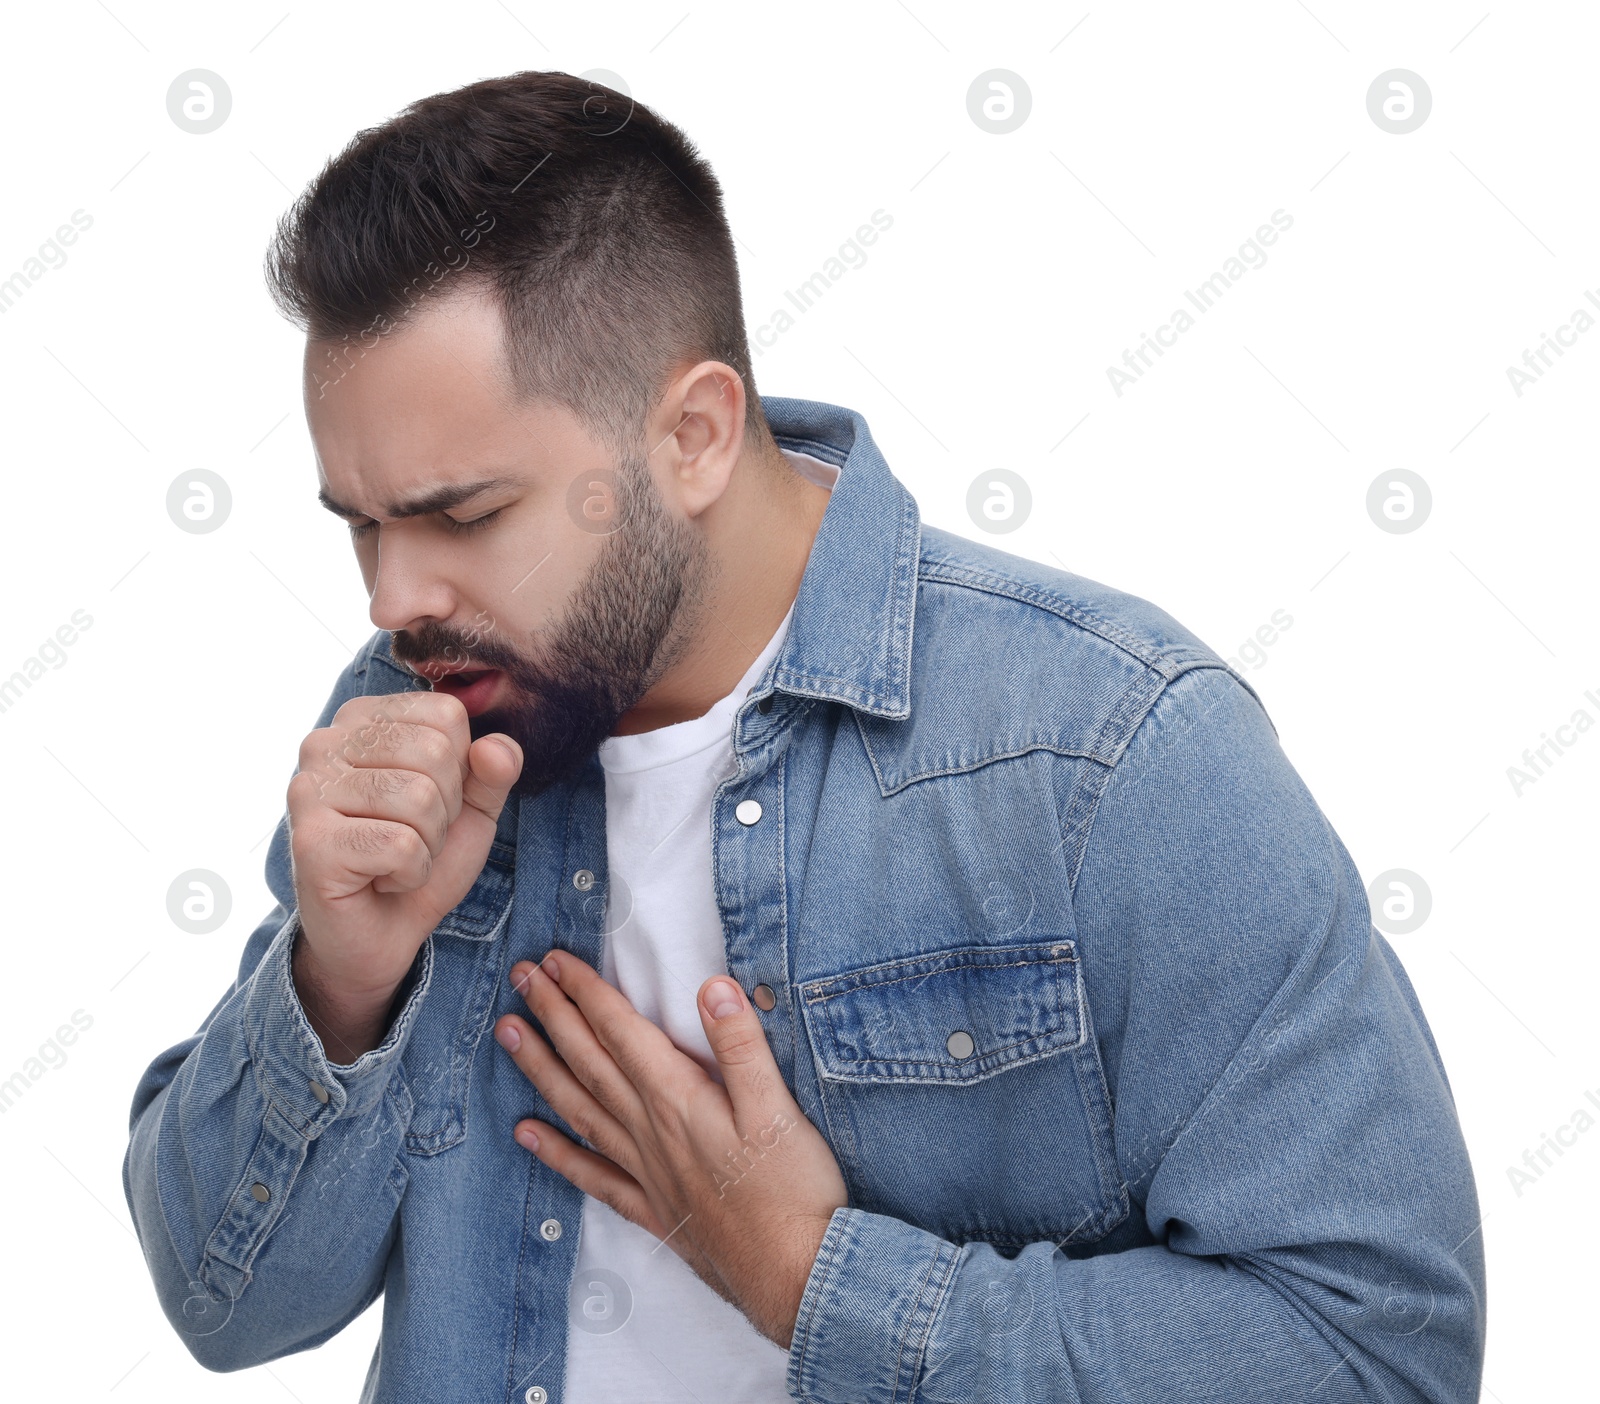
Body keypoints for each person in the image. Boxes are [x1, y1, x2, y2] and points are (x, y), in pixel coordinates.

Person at [122, 69, 1486, 1404]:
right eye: (361, 520)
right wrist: (339, 980)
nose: (392, 597)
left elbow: (1377, 1349)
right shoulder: (415, 705)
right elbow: (227, 1310)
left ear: (698, 436)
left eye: (464, 516)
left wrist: (811, 1276)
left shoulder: (1109, 752)